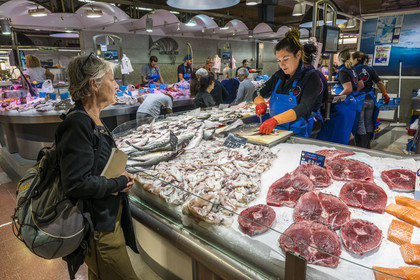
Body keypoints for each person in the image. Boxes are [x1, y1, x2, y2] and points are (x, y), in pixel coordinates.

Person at [55, 53, 139, 280]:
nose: (116, 85)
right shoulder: (78, 123)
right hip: (99, 230)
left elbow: (94, 168)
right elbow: (75, 183)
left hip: (109, 221)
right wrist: (119, 182)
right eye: (112, 79)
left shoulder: (94, 119)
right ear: (94, 84)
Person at [254, 29, 321, 137]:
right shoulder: (278, 76)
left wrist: (275, 120)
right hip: (274, 133)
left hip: (296, 135)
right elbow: (258, 92)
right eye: (279, 61)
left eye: (286, 59)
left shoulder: (311, 77)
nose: (282, 65)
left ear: (298, 54)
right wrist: (260, 103)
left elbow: (304, 107)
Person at [317, 49, 364, 145]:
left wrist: (336, 98)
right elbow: (361, 85)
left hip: (343, 106)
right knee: (346, 132)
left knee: (338, 134)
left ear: (339, 59)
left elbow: (348, 89)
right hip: (351, 103)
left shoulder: (343, 71)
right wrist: (350, 95)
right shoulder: (352, 70)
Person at [352, 51, 390, 148]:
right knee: (369, 121)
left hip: (359, 100)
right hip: (370, 100)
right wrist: (385, 95)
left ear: (355, 59)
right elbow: (380, 83)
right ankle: (368, 144)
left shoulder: (353, 69)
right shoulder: (370, 69)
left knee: (360, 122)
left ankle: (362, 146)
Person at [303, 43, 328, 136]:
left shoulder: (302, 76)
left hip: (304, 121)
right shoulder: (320, 74)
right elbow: (325, 97)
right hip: (316, 118)